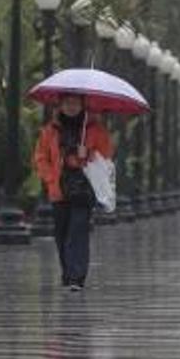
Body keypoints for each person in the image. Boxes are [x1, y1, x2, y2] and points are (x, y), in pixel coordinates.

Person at [34, 93, 113, 292]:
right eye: (67, 103)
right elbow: (40, 157)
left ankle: (76, 277)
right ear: (59, 105)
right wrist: (50, 178)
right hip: (59, 190)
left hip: (84, 189)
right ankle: (67, 272)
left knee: (77, 232)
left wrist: (88, 153)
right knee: (61, 234)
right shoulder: (50, 131)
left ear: (82, 105)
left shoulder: (94, 129)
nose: (71, 107)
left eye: (75, 103)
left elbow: (106, 155)